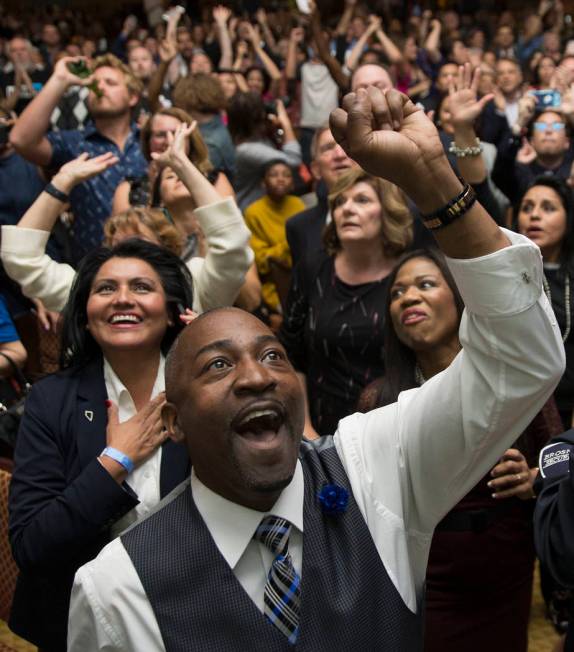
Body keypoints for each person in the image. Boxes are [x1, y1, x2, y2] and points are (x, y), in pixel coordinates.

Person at [67, 85, 563, 652]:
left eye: (273, 355)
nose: (256, 377)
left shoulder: (374, 468)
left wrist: (434, 179)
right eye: (219, 365)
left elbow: (520, 358)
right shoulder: (118, 589)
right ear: (173, 421)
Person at [358, 248, 563, 652]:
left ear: (459, 298)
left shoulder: (512, 378)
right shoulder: (378, 398)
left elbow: (559, 459)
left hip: (503, 567)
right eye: (397, 293)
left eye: (426, 284)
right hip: (422, 573)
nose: (409, 298)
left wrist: (531, 480)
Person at [8, 238, 194, 651]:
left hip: (192, 615)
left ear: (172, 313)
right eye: (105, 289)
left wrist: (216, 359)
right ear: (86, 316)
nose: (122, 299)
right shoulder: (51, 399)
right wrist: (115, 461)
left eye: (142, 288)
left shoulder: (201, 395)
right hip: (81, 623)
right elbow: (33, 546)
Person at [1, 124, 253, 315]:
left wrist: (181, 164)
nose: (129, 251)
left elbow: (232, 243)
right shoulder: (92, 289)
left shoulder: (192, 283)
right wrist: (61, 182)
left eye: (140, 242)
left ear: (167, 250)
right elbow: (21, 258)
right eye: (120, 245)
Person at [280, 166, 413, 437]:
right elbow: (291, 356)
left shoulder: (409, 273)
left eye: (362, 200)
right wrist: (305, 429)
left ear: (387, 212)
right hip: (321, 432)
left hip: (396, 430)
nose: (347, 209)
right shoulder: (313, 268)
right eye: (340, 202)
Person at [9, 53, 147, 259]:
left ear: (133, 97)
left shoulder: (148, 140)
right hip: (90, 267)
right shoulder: (74, 142)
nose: (99, 88)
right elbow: (21, 140)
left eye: (110, 83)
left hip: (149, 260)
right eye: (94, 83)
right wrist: (60, 80)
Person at [516, 176, 574, 430]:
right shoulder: (507, 274)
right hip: (518, 412)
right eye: (527, 208)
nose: (534, 216)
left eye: (548, 208)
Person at [285, 124, 357, 269]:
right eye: (328, 148)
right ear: (316, 170)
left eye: (346, 144)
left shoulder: (401, 214)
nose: (339, 154)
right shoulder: (298, 227)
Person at [243, 161, 305, 315]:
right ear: (263, 183)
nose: (280, 179)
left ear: (292, 183)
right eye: (274, 175)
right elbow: (261, 259)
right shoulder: (253, 212)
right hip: (273, 284)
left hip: (302, 274)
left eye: (286, 175)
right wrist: (288, 244)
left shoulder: (298, 205)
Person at [227, 92, 302, 211]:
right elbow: (293, 160)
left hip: (266, 208)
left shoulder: (250, 139)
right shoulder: (246, 150)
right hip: (251, 213)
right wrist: (286, 123)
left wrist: (272, 128)